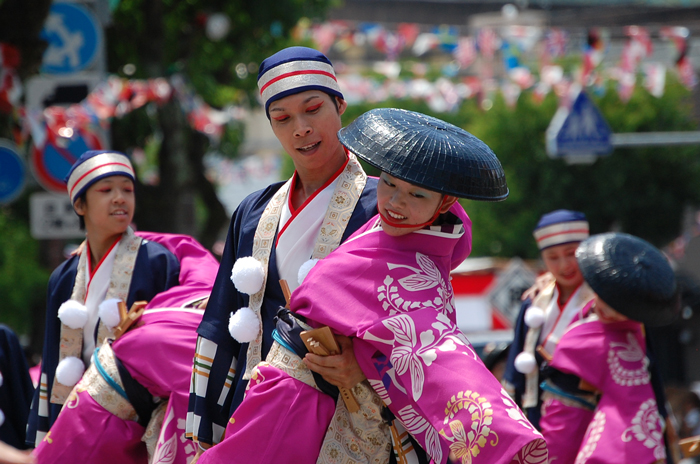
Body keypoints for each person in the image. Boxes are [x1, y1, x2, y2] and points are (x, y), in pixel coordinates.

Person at [198, 108, 547, 464]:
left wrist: (363, 366)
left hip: (326, 404)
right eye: (390, 184)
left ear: (447, 202)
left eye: (417, 196)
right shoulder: (262, 208)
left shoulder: (416, 259)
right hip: (282, 383)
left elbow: (439, 355)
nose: (395, 203)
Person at [186, 46, 379, 460]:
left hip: (347, 410)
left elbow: (416, 319)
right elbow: (221, 320)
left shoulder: (383, 206)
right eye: (283, 118)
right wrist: (205, 424)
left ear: (340, 105)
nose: (301, 129)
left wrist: (365, 368)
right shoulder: (253, 212)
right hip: (255, 405)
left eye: (312, 110)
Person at [26, 151, 181, 446]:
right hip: (74, 416)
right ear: (80, 204)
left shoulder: (157, 262)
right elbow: (51, 358)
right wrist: (43, 430)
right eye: (106, 190)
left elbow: (168, 347)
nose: (120, 198)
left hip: (137, 418)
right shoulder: (64, 276)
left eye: (128, 189)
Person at [32, 233, 219, 464]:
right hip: (99, 386)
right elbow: (185, 245)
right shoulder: (207, 282)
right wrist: (112, 236)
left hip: (129, 404)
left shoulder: (229, 354)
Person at [548, 232, 679, 463]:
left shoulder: (584, 340)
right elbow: (564, 421)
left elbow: (564, 423)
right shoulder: (634, 333)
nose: (607, 309)